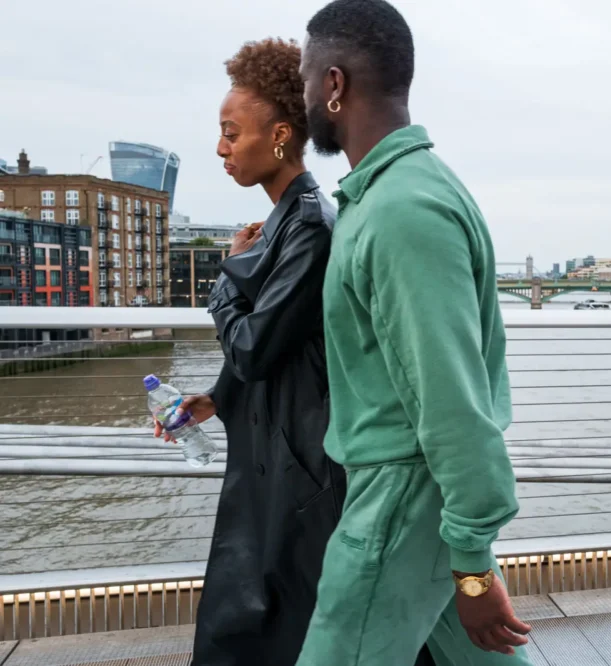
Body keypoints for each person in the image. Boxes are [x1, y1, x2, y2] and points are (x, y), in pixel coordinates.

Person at [152, 38, 433, 666]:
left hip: (299, 468)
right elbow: (274, 346)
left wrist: (227, 276)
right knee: (262, 619)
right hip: (277, 455)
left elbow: (254, 345)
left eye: (231, 133)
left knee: (271, 622)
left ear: (280, 136)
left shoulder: (307, 226)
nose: (221, 148)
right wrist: (213, 398)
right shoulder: (285, 223)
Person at [295, 1, 532, 664]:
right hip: (413, 495)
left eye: (309, 75)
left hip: (401, 501)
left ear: (336, 85)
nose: (305, 91)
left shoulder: (403, 211)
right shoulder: (390, 195)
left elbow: (451, 399)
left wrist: (473, 564)